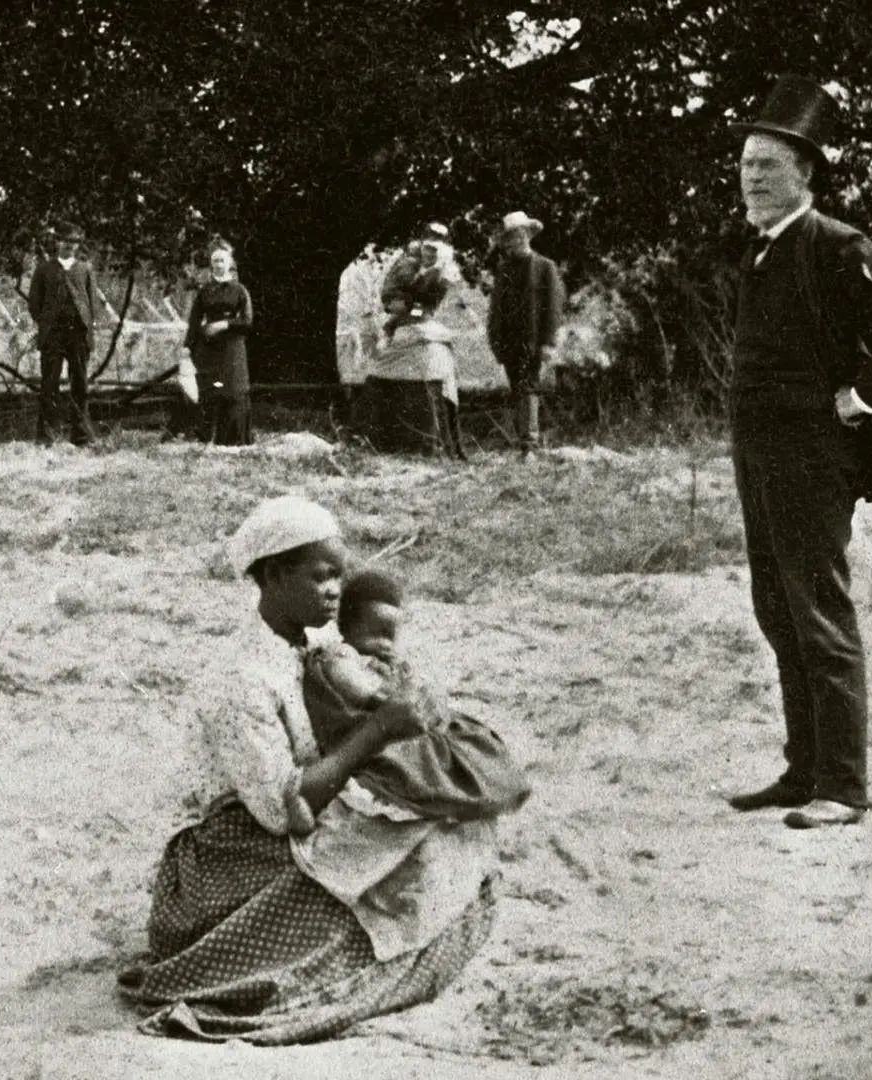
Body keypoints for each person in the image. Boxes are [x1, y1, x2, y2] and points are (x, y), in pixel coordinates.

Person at [118, 496, 501, 1043]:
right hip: (223, 860)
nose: (335, 591)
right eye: (321, 577)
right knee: (362, 891)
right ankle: (283, 973)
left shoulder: (315, 645)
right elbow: (279, 811)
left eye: (339, 576)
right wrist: (377, 733)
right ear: (272, 575)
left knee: (440, 832)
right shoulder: (240, 677)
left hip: (300, 816)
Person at [721, 76, 872, 829]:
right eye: (747, 164)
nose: (752, 177)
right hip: (760, 455)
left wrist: (863, 396)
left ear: (805, 175)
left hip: (814, 458)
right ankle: (803, 771)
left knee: (817, 612)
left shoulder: (835, 245)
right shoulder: (761, 251)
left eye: (768, 166)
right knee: (777, 609)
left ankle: (842, 787)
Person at [303, 567, 530, 820]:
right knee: (422, 769)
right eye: (376, 634)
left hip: (400, 726)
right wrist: (383, 698)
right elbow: (354, 685)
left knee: (466, 746)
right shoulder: (342, 656)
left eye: (390, 636)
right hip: (373, 733)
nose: (386, 644)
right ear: (348, 626)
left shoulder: (389, 664)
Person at [359, 224, 465, 458]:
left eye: (437, 242)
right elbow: (395, 292)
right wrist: (408, 301)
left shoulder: (443, 266)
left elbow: (433, 299)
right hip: (403, 315)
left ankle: (432, 442)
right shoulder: (408, 262)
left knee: (434, 364)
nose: (431, 247)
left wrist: (432, 281)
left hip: (422, 320)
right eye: (428, 241)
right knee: (384, 366)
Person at [485, 210, 565, 457]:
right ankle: (524, 442)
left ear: (528, 235)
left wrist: (548, 343)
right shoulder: (504, 269)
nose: (516, 240)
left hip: (533, 340)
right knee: (517, 388)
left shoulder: (544, 267)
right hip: (509, 340)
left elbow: (552, 308)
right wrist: (495, 340)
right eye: (511, 237)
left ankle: (529, 445)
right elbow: (496, 308)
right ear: (506, 241)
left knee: (528, 387)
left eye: (520, 235)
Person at [26, 222, 110, 446]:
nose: (70, 246)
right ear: (57, 243)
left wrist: (87, 327)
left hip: (78, 335)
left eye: (74, 243)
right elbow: (35, 304)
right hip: (53, 335)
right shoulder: (44, 269)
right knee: (49, 384)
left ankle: (81, 436)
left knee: (80, 384)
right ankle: (47, 436)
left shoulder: (85, 269)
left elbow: (92, 303)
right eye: (65, 242)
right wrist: (46, 324)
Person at [180, 239, 253, 446]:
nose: (217, 264)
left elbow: (247, 322)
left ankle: (233, 441)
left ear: (229, 264)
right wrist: (187, 347)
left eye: (221, 260)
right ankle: (207, 438)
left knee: (232, 390)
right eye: (214, 261)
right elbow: (194, 321)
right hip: (209, 350)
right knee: (210, 391)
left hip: (232, 348)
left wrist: (224, 325)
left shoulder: (239, 290)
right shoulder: (205, 291)